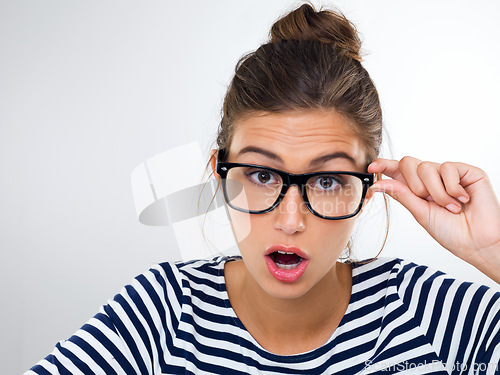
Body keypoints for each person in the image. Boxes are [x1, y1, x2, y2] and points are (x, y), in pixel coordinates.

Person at [26, 3, 500, 374]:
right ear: (219, 171)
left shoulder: (433, 316)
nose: (290, 221)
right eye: (261, 175)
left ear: (369, 186)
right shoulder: (161, 315)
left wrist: (493, 253)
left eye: (328, 180)